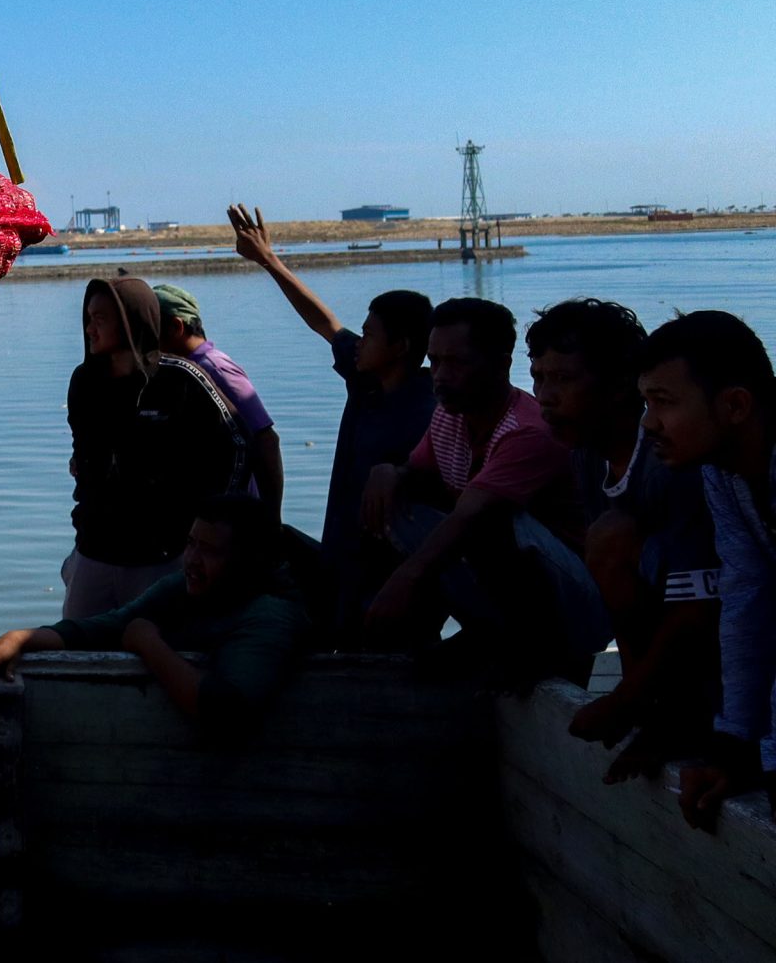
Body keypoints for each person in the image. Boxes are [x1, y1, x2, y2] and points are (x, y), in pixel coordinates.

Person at [362, 297, 609, 682]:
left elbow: (471, 516)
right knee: (401, 502)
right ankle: (482, 634)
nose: (440, 376)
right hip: (515, 591)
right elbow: (418, 474)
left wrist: (406, 581)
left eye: (457, 363)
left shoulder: (527, 431)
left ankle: (531, 651)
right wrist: (389, 472)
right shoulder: (450, 414)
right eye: (435, 361)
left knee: (489, 519)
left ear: (501, 365)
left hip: (575, 606)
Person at [527, 298, 720, 781]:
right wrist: (634, 696)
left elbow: (696, 608)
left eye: (563, 379)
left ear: (618, 387)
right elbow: (619, 593)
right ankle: (655, 708)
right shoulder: (588, 457)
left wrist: (624, 698)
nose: (545, 396)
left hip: (715, 622)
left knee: (612, 537)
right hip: (674, 619)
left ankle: (678, 713)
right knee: (605, 540)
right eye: (539, 378)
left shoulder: (667, 461)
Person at [227, 205, 439, 619]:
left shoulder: (432, 408)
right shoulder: (366, 382)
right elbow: (324, 323)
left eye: (371, 335)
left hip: (392, 577)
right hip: (341, 561)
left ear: (402, 347)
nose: (359, 341)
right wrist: (268, 260)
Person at [0, 495, 316, 742]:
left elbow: (225, 713)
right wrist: (22, 639)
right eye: (191, 543)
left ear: (248, 561)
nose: (192, 560)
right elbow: (111, 626)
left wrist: (149, 645)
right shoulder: (190, 587)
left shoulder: (271, 615)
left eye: (209, 551)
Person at [635, 310, 774, 831]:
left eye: (663, 403)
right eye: (646, 403)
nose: (648, 423)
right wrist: (734, 744)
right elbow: (747, 596)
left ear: (736, 404)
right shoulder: (724, 469)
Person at [62, 277, 249, 617]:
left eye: (101, 319)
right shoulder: (84, 383)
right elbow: (85, 453)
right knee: (74, 649)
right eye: (88, 318)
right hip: (93, 550)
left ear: (131, 322)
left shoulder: (181, 380)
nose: (90, 328)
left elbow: (238, 447)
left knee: (154, 647)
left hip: (161, 556)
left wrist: (207, 528)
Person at [154, 283, 284, 508]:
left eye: (149, 331)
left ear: (176, 327)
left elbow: (266, 440)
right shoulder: (180, 371)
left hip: (231, 518)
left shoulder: (215, 369)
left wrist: (271, 516)